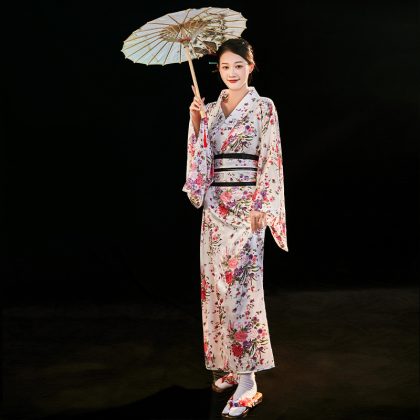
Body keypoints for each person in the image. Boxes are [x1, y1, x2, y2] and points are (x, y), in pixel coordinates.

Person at [182, 38, 288, 418]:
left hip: (247, 210)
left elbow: (271, 156)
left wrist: (263, 205)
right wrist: (197, 121)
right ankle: (231, 365)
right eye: (225, 67)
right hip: (214, 209)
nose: (232, 73)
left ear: (250, 67)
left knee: (242, 291)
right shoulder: (210, 109)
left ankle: (248, 381)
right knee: (216, 289)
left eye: (238, 66)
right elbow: (202, 158)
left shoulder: (263, 107)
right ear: (219, 69)